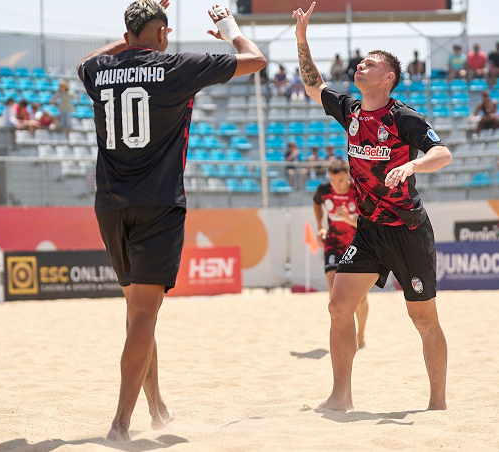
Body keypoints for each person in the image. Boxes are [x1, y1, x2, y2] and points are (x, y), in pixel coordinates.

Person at [76, 0, 265, 441]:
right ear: (163, 34)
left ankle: (156, 405)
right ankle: (120, 425)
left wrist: (124, 43)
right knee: (144, 313)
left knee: (138, 312)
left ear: (127, 37)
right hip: (158, 203)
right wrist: (229, 28)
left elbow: (84, 62)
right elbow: (255, 59)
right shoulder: (176, 66)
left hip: (110, 204)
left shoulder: (100, 70)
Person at [294, 1, 451, 412]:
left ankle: (437, 404)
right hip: (367, 229)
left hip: (407, 229)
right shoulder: (350, 111)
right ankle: (340, 397)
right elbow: (313, 85)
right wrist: (301, 38)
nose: (360, 65)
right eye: (361, 61)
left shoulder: (403, 117)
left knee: (423, 320)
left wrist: (412, 164)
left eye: (370, 62)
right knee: (338, 306)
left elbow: (443, 153)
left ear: (388, 78)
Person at [313, 159, 368, 349]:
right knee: (333, 288)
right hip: (333, 244)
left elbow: (368, 220)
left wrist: (350, 218)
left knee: (361, 298)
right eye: (333, 180)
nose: (336, 184)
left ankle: (361, 335)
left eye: (341, 180)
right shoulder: (324, 190)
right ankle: (343, 332)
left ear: (349, 177)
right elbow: (316, 202)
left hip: (357, 245)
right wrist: (321, 227)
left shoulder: (358, 191)